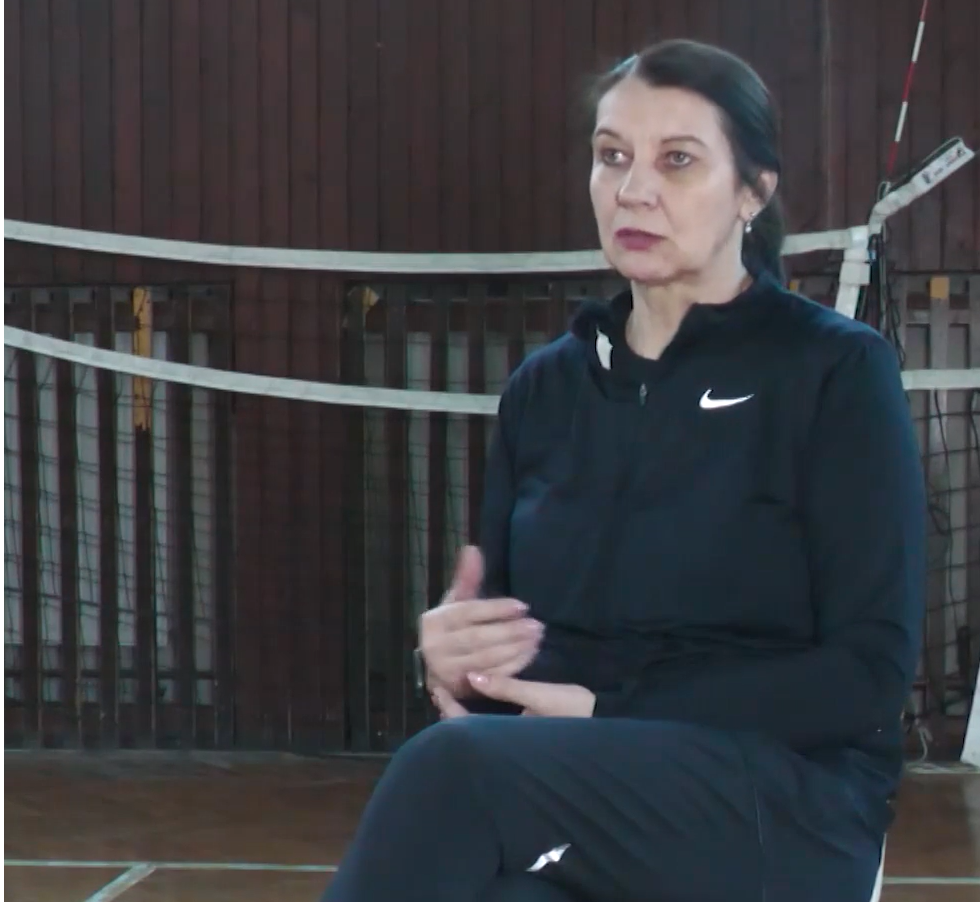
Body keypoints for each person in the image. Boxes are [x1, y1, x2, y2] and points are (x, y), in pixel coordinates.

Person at [322, 39, 926, 902]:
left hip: (788, 802)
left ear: (752, 191)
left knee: (453, 770)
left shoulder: (835, 371)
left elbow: (866, 677)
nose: (633, 189)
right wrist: (461, 662)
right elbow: (514, 685)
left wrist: (610, 711)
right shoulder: (544, 391)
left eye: (677, 160)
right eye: (612, 157)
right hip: (585, 793)